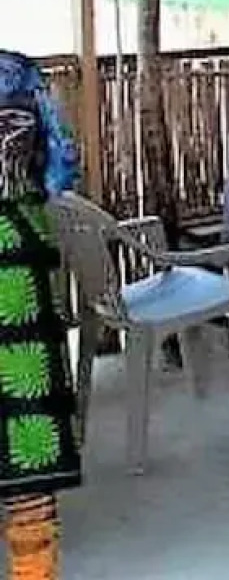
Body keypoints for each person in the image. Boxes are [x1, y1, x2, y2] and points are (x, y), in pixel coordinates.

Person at [0, 51, 82, 580]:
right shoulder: (19, 74)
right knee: (28, 424)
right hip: (18, 254)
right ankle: (35, 569)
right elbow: (63, 163)